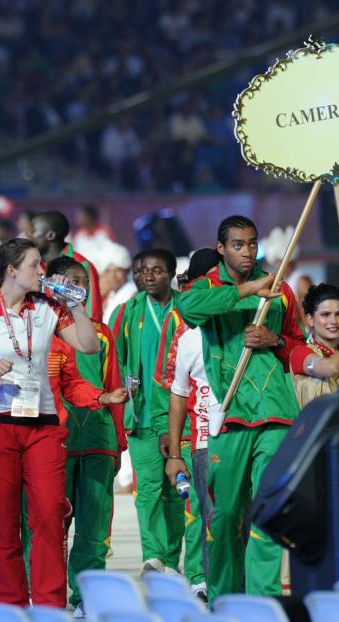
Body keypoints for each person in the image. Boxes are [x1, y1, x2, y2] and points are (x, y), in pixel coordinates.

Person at [0, 239, 99, 607]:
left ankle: (49, 604)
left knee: (49, 512)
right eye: (35, 265)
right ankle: (8, 605)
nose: (42, 271)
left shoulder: (49, 307)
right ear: (12, 270)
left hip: (42, 423)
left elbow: (89, 346)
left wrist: (78, 306)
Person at [176, 215, 302, 599]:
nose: (247, 252)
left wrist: (274, 338)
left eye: (252, 244)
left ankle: (263, 602)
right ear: (221, 248)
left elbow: (295, 343)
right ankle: (224, 599)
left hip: (277, 413)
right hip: (228, 417)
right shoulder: (206, 285)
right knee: (226, 515)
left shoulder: (281, 290)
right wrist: (249, 291)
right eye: (238, 245)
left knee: (267, 511)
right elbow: (189, 308)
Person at [44, 256, 128, 616]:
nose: (77, 288)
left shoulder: (101, 334)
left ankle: (86, 597)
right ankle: (48, 596)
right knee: (48, 525)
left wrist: (118, 443)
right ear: (51, 284)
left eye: (82, 282)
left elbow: (114, 388)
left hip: (97, 440)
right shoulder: (37, 332)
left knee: (94, 528)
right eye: (69, 281)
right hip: (51, 442)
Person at [108, 248, 187, 576]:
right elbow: (112, 362)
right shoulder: (125, 313)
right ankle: (154, 556)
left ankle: (170, 552)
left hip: (181, 415)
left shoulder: (187, 309)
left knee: (179, 491)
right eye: (141, 271)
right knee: (149, 489)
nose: (147, 276)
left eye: (156, 270)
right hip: (142, 416)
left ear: (171, 273)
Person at [161, 247, 223, 601]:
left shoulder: (250, 326)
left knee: (240, 516)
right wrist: (172, 446)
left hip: (248, 434)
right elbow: (173, 388)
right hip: (202, 438)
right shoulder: (183, 330)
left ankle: (241, 586)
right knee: (208, 514)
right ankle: (208, 583)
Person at [31, 211, 104, 322]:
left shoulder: (82, 265)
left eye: (33, 231)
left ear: (50, 235)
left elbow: (93, 313)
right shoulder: (33, 266)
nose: (27, 236)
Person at [100, 243, 137, 324]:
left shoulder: (132, 293)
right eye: (108, 271)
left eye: (118, 270)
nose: (113, 276)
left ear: (126, 271)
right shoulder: (111, 294)